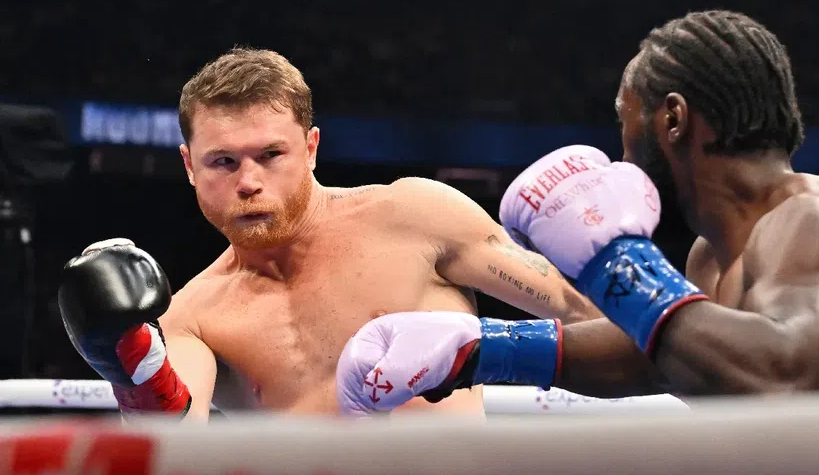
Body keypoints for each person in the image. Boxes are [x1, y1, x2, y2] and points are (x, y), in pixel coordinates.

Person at [336, 10, 819, 415]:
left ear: (672, 120)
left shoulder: (818, 217)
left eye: (626, 124)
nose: (624, 155)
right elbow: (671, 356)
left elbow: (777, 373)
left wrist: (621, 264)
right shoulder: (710, 254)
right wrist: (483, 348)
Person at [56, 48, 600, 421]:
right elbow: (172, 440)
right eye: (223, 161)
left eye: (271, 155)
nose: (248, 182)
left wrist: (607, 261)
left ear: (311, 148)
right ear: (189, 166)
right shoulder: (193, 316)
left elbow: (581, 312)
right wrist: (128, 364)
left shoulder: (414, 217)